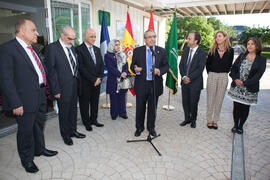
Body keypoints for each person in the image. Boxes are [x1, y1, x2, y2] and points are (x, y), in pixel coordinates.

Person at [0, 19, 57, 173]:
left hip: (40, 94)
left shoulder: (33, 48)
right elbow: (6, 80)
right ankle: (27, 160)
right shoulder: (7, 49)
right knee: (26, 131)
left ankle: (40, 149)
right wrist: (15, 103)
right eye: (33, 30)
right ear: (22, 31)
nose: (37, 34)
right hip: (23, 100)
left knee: (38, 125)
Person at [45, 26, 85, 146]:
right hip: (62, 88)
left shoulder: (71, 48)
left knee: (73, 110)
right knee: (64, 112)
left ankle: (73, 131)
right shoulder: (52, 48)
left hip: (74, 85)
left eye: (74, 39)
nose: (72, 41)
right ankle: (65, 134)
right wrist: (55, 90)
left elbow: (74, 66)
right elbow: (51, 72)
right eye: (69, 38)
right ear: (62, 36)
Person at [131, 29, 169, 137]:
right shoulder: (137, 51)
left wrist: (159, 71)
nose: (152, 39)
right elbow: (132, 66)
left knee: (153, 108)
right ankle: (139, 128)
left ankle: (151, 128)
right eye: (149, 37)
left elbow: (166, 66)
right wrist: (135, 69)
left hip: (154, 84)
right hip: (141, 84)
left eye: (154, 36)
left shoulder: (161, 51)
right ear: (145, 39)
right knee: (140, 108)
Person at [228, 37, 266, 134]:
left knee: (245, 108)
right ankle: (235, 125)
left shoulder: (261, 59)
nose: (249, 46)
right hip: (237, 87)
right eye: (248, 44)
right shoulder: (241, 56)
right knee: (236, 107)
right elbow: (233, 68)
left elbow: (258, 75)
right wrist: (235, 79)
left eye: (252, 44)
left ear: (257, 46)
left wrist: (244, 83)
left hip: (249, 89)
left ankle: (240, 127)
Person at [76, 28, 104, 131]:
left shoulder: (97, 49)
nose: (94, 38)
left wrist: (99, 78)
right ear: (85, 36)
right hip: (85, 83)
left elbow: (101, 65)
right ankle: (86, 123)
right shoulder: (79, 49)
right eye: (91, 36)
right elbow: (81, 68)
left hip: (97, 82)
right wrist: (93, 79)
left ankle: (94, 120)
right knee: (84, 104)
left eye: (95, 36)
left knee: (95, 102)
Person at [206, 31, 234, 130]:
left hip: (223, 76)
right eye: (216, 37)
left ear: (225, 37)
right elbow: (207, 64)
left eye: (219, 36)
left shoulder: (231, 50)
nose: (217, 38)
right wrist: (211, 74)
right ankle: (209, 119)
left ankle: (215, 120)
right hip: (212, 75)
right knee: (210, 99)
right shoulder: (212, 50)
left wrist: (223, 72)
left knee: (219, 99)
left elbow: (230, 64)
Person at [179, 32, 207, 128]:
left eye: (190, 38)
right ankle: (187, 118)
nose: (188, 40)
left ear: (196, 41)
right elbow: (181, 65)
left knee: (193, 102)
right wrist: (183, 77)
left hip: (195, 83)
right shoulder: (185, 51)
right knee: (185, 102)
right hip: (184, 82)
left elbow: (200, 69)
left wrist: (189, 77)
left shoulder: (202, 53)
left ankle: (193, 120)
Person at [104, 39, 128, 120]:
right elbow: (111, 68)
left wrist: (125, 72)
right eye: (116, 45)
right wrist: (120, 74)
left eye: (118, 44)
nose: (118, 46)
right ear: (112, 46)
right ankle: (114, 114)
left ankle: (122, 113)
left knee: (122, 96)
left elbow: (126, 65)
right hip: (113, 80)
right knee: (113, 97)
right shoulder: (107, 56)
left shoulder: (123, 54)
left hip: (122, 79)